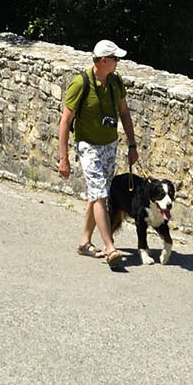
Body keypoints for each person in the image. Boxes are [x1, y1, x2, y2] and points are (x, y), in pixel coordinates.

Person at [57, 39, 139, 261]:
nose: (118, 62)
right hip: (88, 145)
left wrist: (132, 145)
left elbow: (124, 112)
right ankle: (111, 248)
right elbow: (65, 121)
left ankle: (85, 242)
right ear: (103, 60)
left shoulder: (115, 81)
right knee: (101, 194)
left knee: (96, 195)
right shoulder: (80, 84)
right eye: (115, 58)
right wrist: (64, 158)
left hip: (110, 146)